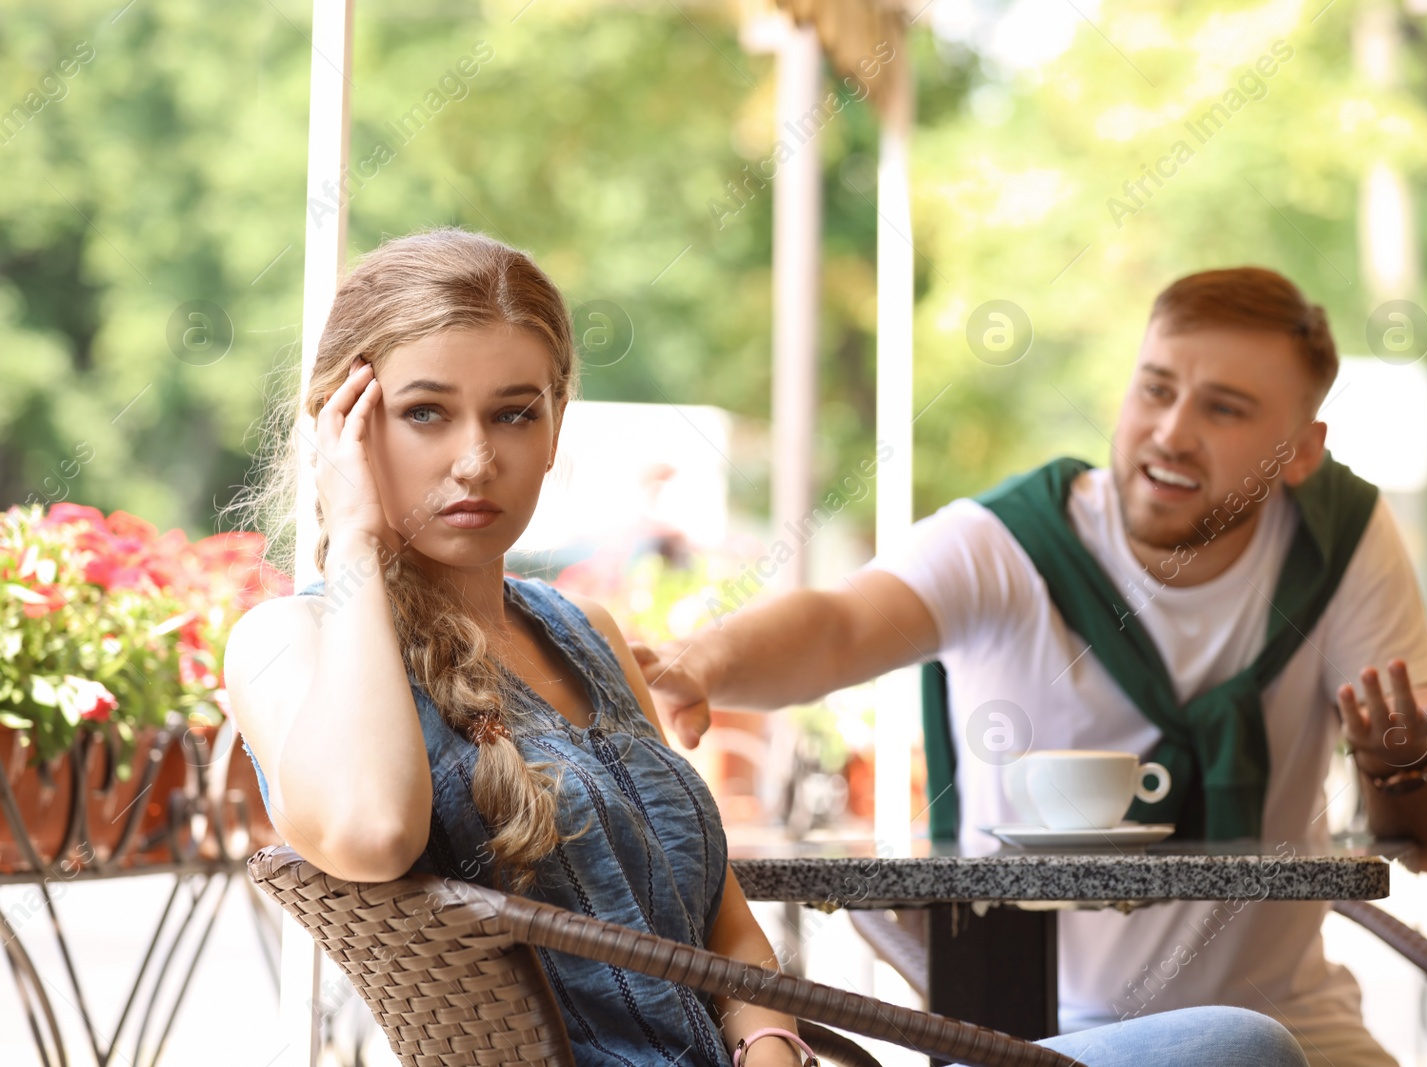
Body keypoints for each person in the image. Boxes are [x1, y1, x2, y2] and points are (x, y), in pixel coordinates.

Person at [222, 229, 1308, 1067]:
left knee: (1231, 1039)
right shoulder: (287, 640)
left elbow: (726, 926)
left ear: (556, 427)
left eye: (513, 413)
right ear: (343, 424)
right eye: (423, 414)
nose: (475, 458)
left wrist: (771, 1042)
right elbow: (367, 829)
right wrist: (356, 537)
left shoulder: (582, 631)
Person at [633, 267, 1427, 1067]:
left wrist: (1402, 762)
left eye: (1225, 409)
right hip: (1043, 1037)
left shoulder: (1336, 541)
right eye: (1156, 388)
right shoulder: (1014, 541)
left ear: (1301, 451)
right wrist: (697, 662)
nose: (1172, 431)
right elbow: (836, 625)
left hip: (1299, 1021)